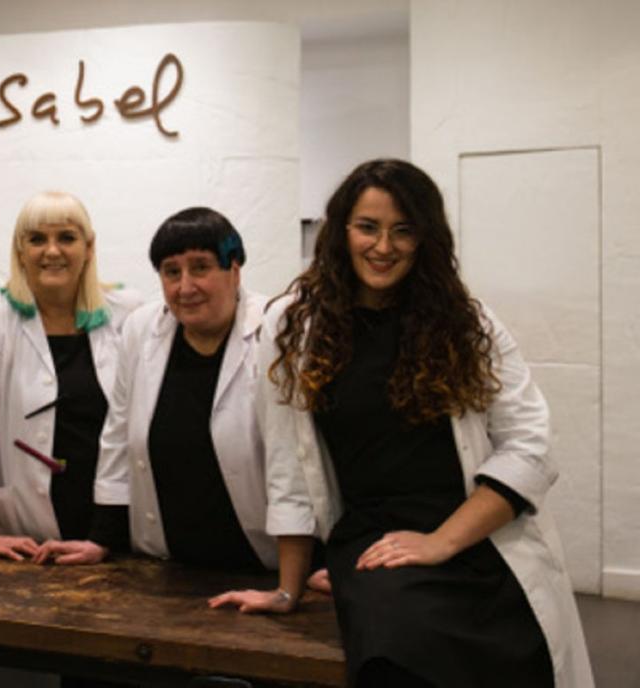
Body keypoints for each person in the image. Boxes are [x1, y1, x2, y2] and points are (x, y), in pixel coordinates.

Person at [210, 159, 593, 687]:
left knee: (517, 650)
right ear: (341, 231)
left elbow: (530, 447)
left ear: (425, 238)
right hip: (377, 546)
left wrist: (442, 541)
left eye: (403, 230)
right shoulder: (294, 326)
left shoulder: (468, 323)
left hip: (478, 539)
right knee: (402, 655)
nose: (383, 246)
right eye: (367, 227)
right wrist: (286, 589)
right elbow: (288, 467)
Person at [34, 207, 277, 573]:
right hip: (167, 564)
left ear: (234, 269)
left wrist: (314, 561)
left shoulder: (273, 330)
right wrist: (102, 538)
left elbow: (299, 459)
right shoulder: (142, 329)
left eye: (201, 267)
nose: (185, 287)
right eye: (171, 272)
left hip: (262, 563)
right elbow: (117, 437)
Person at [0, 190, 141, 561]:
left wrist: (109, 534)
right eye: (37, 239)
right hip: (24, 539)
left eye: (66, 237)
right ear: (20, 251)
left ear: (89, 248)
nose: (52, 251)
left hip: (114, 537)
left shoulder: (129, 314)